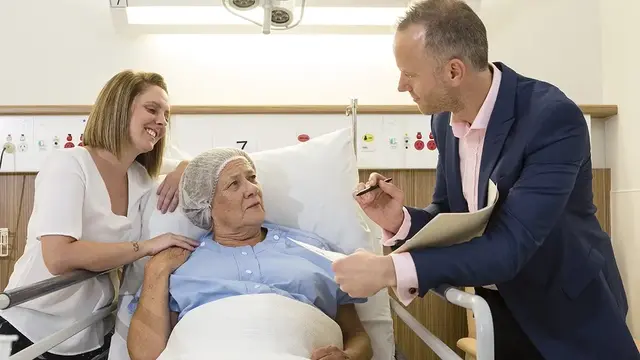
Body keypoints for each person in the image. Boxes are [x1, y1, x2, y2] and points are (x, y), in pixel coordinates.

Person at [331, 1, 640, 359]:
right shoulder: (444, 123)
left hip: (572, 316)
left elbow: (510, 246)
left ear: (454, 71)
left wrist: (389, 270)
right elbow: (453, 216)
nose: (401, 86)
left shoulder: (551, 119)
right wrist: (400, 220)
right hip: (501, 309)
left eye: (410, 74)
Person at [0, 70, 200, 359]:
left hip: (90, 333)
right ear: (120, 107)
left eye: (166, 115)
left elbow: (201, 162)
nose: (162, 121)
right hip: (30, 327)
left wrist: (185, 167)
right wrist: (143, 248)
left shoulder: (140, 176)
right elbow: (58, 257)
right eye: (152, 109)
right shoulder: (69, 165)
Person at [126, 148, 373, 360]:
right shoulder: (179, 264)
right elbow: (146, 354)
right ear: (206, 204)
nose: (252, 189)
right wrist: (155, 269)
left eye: (252, 178)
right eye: (234, 184)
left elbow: (358, 336)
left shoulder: (312, 248)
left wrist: (349, 356)